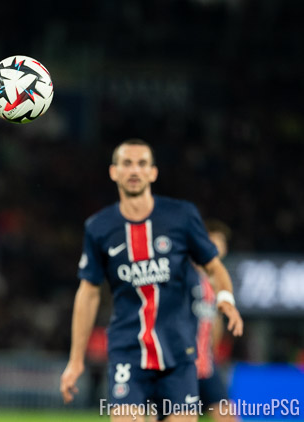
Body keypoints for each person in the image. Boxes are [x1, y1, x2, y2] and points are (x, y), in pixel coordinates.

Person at [59, 139, 243, 422]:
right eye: (127, 163)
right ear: (114, 171)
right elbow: (88, 293)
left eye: (142, 163)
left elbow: (215, 267)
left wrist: (226, 299)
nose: (135, 170)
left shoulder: (181, 216)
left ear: (153, 172)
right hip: (127, 353)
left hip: (179, 353)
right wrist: (75, 360)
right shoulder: (98, 228)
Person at [190, 220, 237, 422]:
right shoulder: (186, 275)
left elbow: (213, 323)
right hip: (181, 364)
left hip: (206, 364)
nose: (218, 248)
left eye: (221, 243)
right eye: (214, 243)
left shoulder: (216, 283)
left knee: (227, 416)